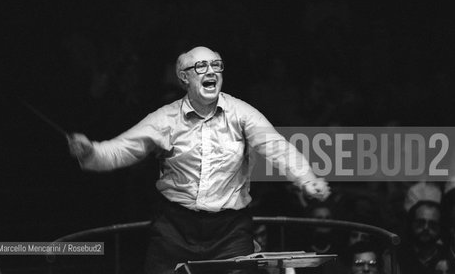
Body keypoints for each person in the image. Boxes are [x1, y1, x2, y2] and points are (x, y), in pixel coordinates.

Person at [68, 46, 330, 274]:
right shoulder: (165, 119)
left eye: (216, 66)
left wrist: (307, 179)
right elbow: (121, 150)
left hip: (231, 231)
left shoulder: (242, 113)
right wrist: (90, 152)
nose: (211, 72)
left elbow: (278, 149)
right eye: (201, 66)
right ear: (184, 77)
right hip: (174, 230)